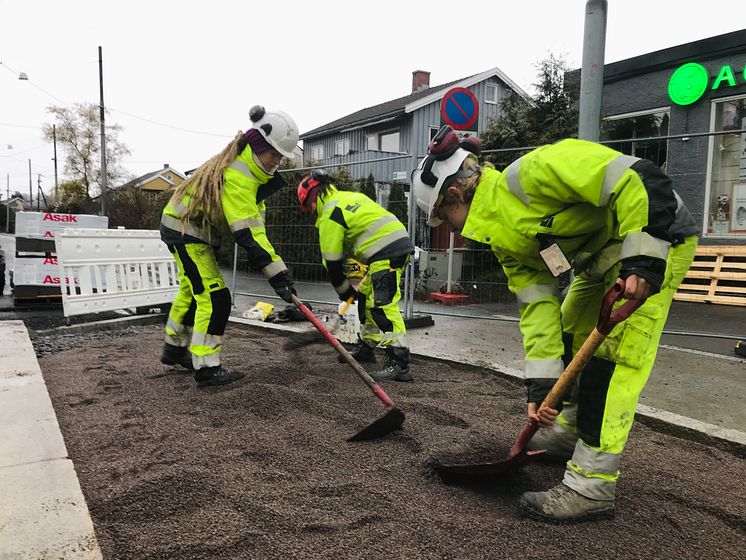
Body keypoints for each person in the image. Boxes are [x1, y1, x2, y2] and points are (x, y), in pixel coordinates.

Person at [413, 125, 699, 521]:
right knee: (566, 339)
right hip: (598, 262)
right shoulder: (503, 241)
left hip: (654, 244)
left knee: (609, 365)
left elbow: (640, 177)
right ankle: (566, 434)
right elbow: (537, 308)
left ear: (455, 195)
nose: (451, 227)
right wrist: (543, 387)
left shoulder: (538, 170)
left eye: (445, 217)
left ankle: (591, 487)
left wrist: (645, 255)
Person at [159, 105, 299, 387]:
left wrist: (278, 274)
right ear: (259, 146)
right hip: (186, 231)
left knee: (192, 290)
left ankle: (174, 348)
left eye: (281, 158)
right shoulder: (240, 176)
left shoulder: (248, 174)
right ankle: (207, 367)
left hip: (183, 226)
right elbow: (247, 234)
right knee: (215, 298)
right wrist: (279, 276)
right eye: (274, 155)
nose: (277, 162)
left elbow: (258, 231)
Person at [297, 170, 415, 382]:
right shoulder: (350, 197)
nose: (311, 212)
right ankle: (367, 348)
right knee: (369, 298)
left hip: (386, 252)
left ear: (313, 196)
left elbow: (332, 262)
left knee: (382, 306)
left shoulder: (330, 214)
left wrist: (344, 291)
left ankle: (400, 362)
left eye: (309, 207)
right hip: (393, 245)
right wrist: (353, 291)